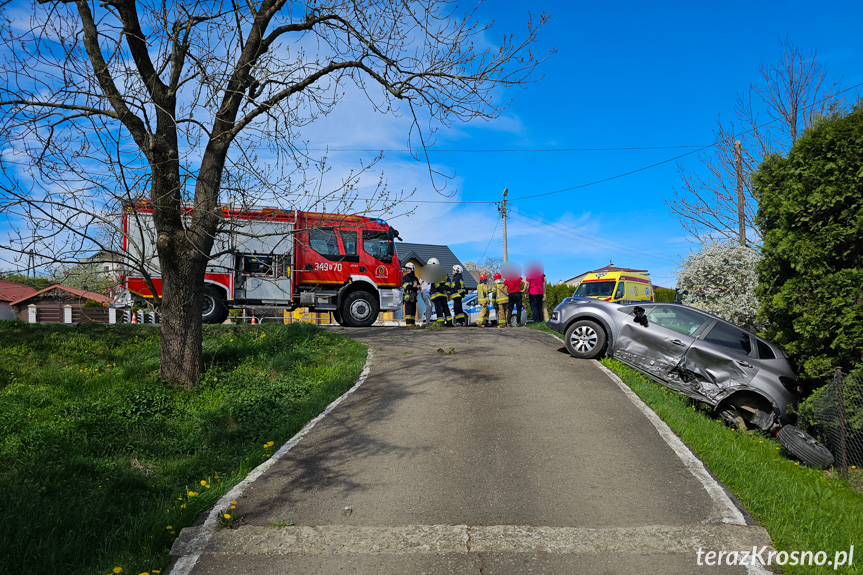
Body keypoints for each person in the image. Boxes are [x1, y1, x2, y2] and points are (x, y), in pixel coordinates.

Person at [427, 257, 453, 327]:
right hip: (443, 294)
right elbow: (448, 282)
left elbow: (435, 283)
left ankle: (441, 324)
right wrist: (444, 289)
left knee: (439, 309)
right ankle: (449, 323)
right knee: (446, 308)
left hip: (436, 294)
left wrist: (441, 289)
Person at [401, 262, 420, 327]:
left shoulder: (415, 278)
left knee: (413, 311)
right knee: (408, 311)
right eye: (407, 269)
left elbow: (419, 285)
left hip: (414, 297)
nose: (407, 270)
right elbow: (404, 286)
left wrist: (418, 288)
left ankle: (413, 323)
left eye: (409, 269)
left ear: (412, 269)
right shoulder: (405, 278)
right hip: (408, 297)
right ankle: (408, 324)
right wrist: (413, 286)